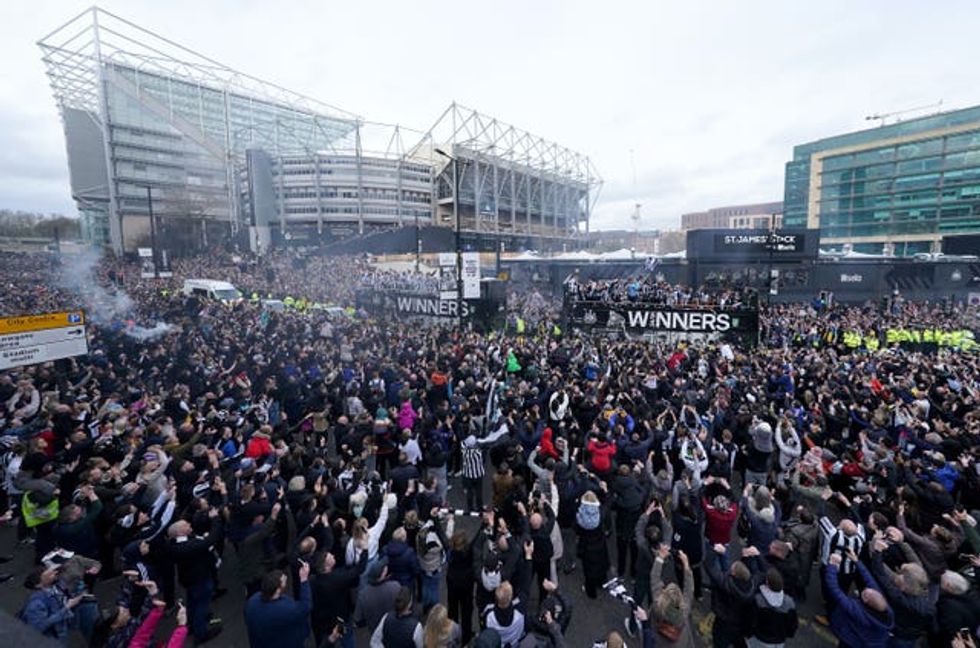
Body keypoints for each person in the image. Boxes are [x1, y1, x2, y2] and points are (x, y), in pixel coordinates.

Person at [166, 509, 224, 643]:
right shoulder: (189, 546)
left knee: (192, 602)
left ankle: (191, 625)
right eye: (187, 525)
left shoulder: (174, 544)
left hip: (188, 579)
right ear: (180, 532)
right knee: (202, 605)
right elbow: (211, 539)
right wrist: (215, 519)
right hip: (200, 578)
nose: (190, 526)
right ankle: (201, 633)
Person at [823, 550, 894, 648]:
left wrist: (832, 565)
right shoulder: (886, 610)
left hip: (851, 642)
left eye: (864, 593)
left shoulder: (856, 610)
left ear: (865, 601)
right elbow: (869, 579)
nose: (866, 588)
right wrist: (856, 561)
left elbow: (834, 589)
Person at [244, 565, 312, 648]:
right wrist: (304, 579)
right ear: (278, 589)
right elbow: (305, 607)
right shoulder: (285, 610)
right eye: (284, 582)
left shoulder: (252, 601)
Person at [19, 565, 86, 644]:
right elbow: (38, 627)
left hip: (60, 632)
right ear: (38, 585)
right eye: (50, 575)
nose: (55, 574)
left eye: (53, 572)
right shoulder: (36, 604)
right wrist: (67, 607)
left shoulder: (54, 587)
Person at [650, 545, 694, 648]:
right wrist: (686, 564)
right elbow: (689, 589)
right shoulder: (684, 611)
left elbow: (654, 579)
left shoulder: (658, 606)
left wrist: (660, 557)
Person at [746, 567, 798, 648]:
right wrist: (786, 635)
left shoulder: (758, 600)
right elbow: (793, 624)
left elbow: (751, 621)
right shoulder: (789, 602)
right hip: (779, 640)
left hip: (761, 639)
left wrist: (748, 634)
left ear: (767, 583)